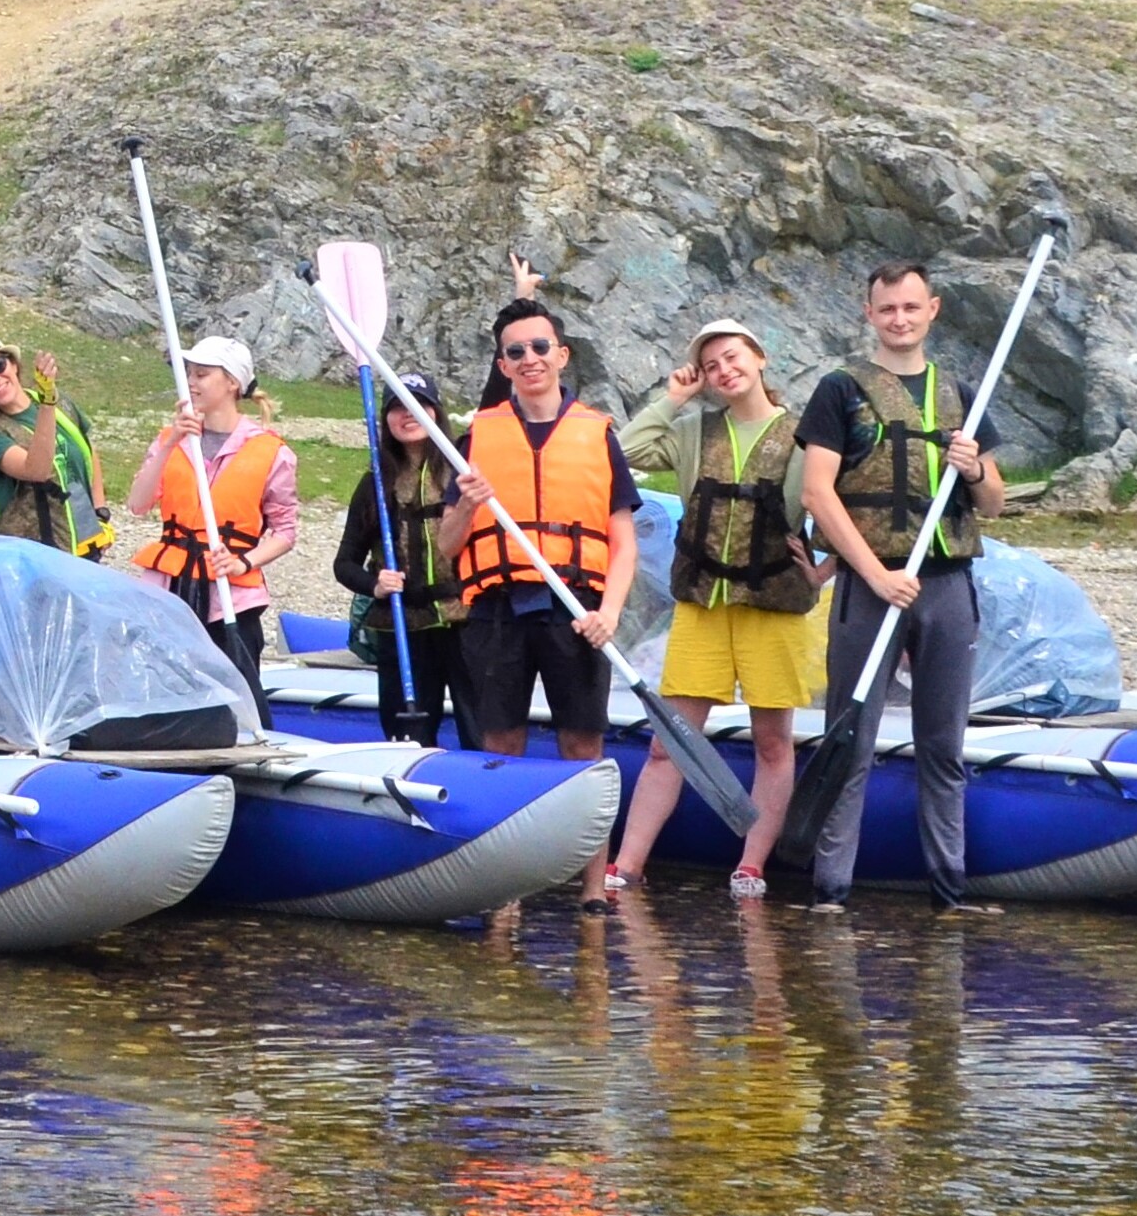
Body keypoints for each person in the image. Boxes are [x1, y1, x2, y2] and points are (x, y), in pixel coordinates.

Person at [786, 261, 1017, 913]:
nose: (899, 319)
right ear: (869, 314)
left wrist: (973, 470)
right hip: (871, 583)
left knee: (942, 746)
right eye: (887, 309)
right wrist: (875, 574)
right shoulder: (839, 391)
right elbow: (815, 492)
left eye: (910, 308)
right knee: (851, 740)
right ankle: (830, 890)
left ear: (931, 310)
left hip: (946, 586)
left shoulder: (962, 394)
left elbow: (994, 503)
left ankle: (949, 889)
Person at [614, 316, 819, 903]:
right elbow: (622, 452)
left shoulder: (804, 434)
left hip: (773, 606)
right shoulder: (691, 431)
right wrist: (673, 397)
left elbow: (834, 499)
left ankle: (751, 865)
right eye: (710, 367)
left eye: (732, 357)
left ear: (760, 358)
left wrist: (827, 569)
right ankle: (628, 866)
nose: (723, 371)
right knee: (669, 743)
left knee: (773, 744)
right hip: (704, 605)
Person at [442, 299, 640, 767]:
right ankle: (506, 839)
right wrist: (468, 505)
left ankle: (590, 842)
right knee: (500, 745)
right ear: (503, 366)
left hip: (576, 609)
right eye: (515, 351)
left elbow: (624, 543)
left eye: (539, 346)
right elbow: (447, 545)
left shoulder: (598, 435)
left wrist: (609, 614)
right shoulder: (475, 439)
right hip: (497, 612)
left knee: (581, 746)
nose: (529, 358)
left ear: (561, 355)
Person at [123, 335, 300, 688]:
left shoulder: (272, 452)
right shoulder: (169, 439)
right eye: (189, 373)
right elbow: (137, 504)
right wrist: (171, 441)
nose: (190, 382)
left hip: (230, 596)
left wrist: (243, 562)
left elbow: (285, 532)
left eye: (201, 374)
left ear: (232, 383)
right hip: (171, 590)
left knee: (236, 689)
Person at [332, 383, 465, 745]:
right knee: (406, 735)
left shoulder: (462, 472)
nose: (408, 414)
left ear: (437, 412)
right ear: (385, 419)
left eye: (420, 404)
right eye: (397, 407)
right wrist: (374, 585)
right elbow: (344, 563)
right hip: (401, 627)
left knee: (478, 726)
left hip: (465, 623)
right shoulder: (375, 484)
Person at [0, 331, 104, 552]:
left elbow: (88, 452)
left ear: (13, 364)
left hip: (85, 541)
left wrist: (101, 513)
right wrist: (47, 404)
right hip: (34, 553)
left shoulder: (61, 403)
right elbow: (37, 470)